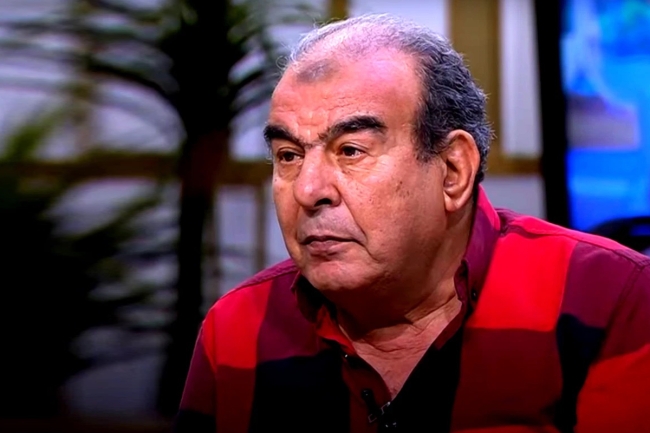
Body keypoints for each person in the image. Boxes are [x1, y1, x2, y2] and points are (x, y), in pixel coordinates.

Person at [174, 13, 650, 433]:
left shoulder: (608, 298)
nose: (308, 190)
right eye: (288, 155)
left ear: (453, 170)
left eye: (350, 151)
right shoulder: (236, 330)